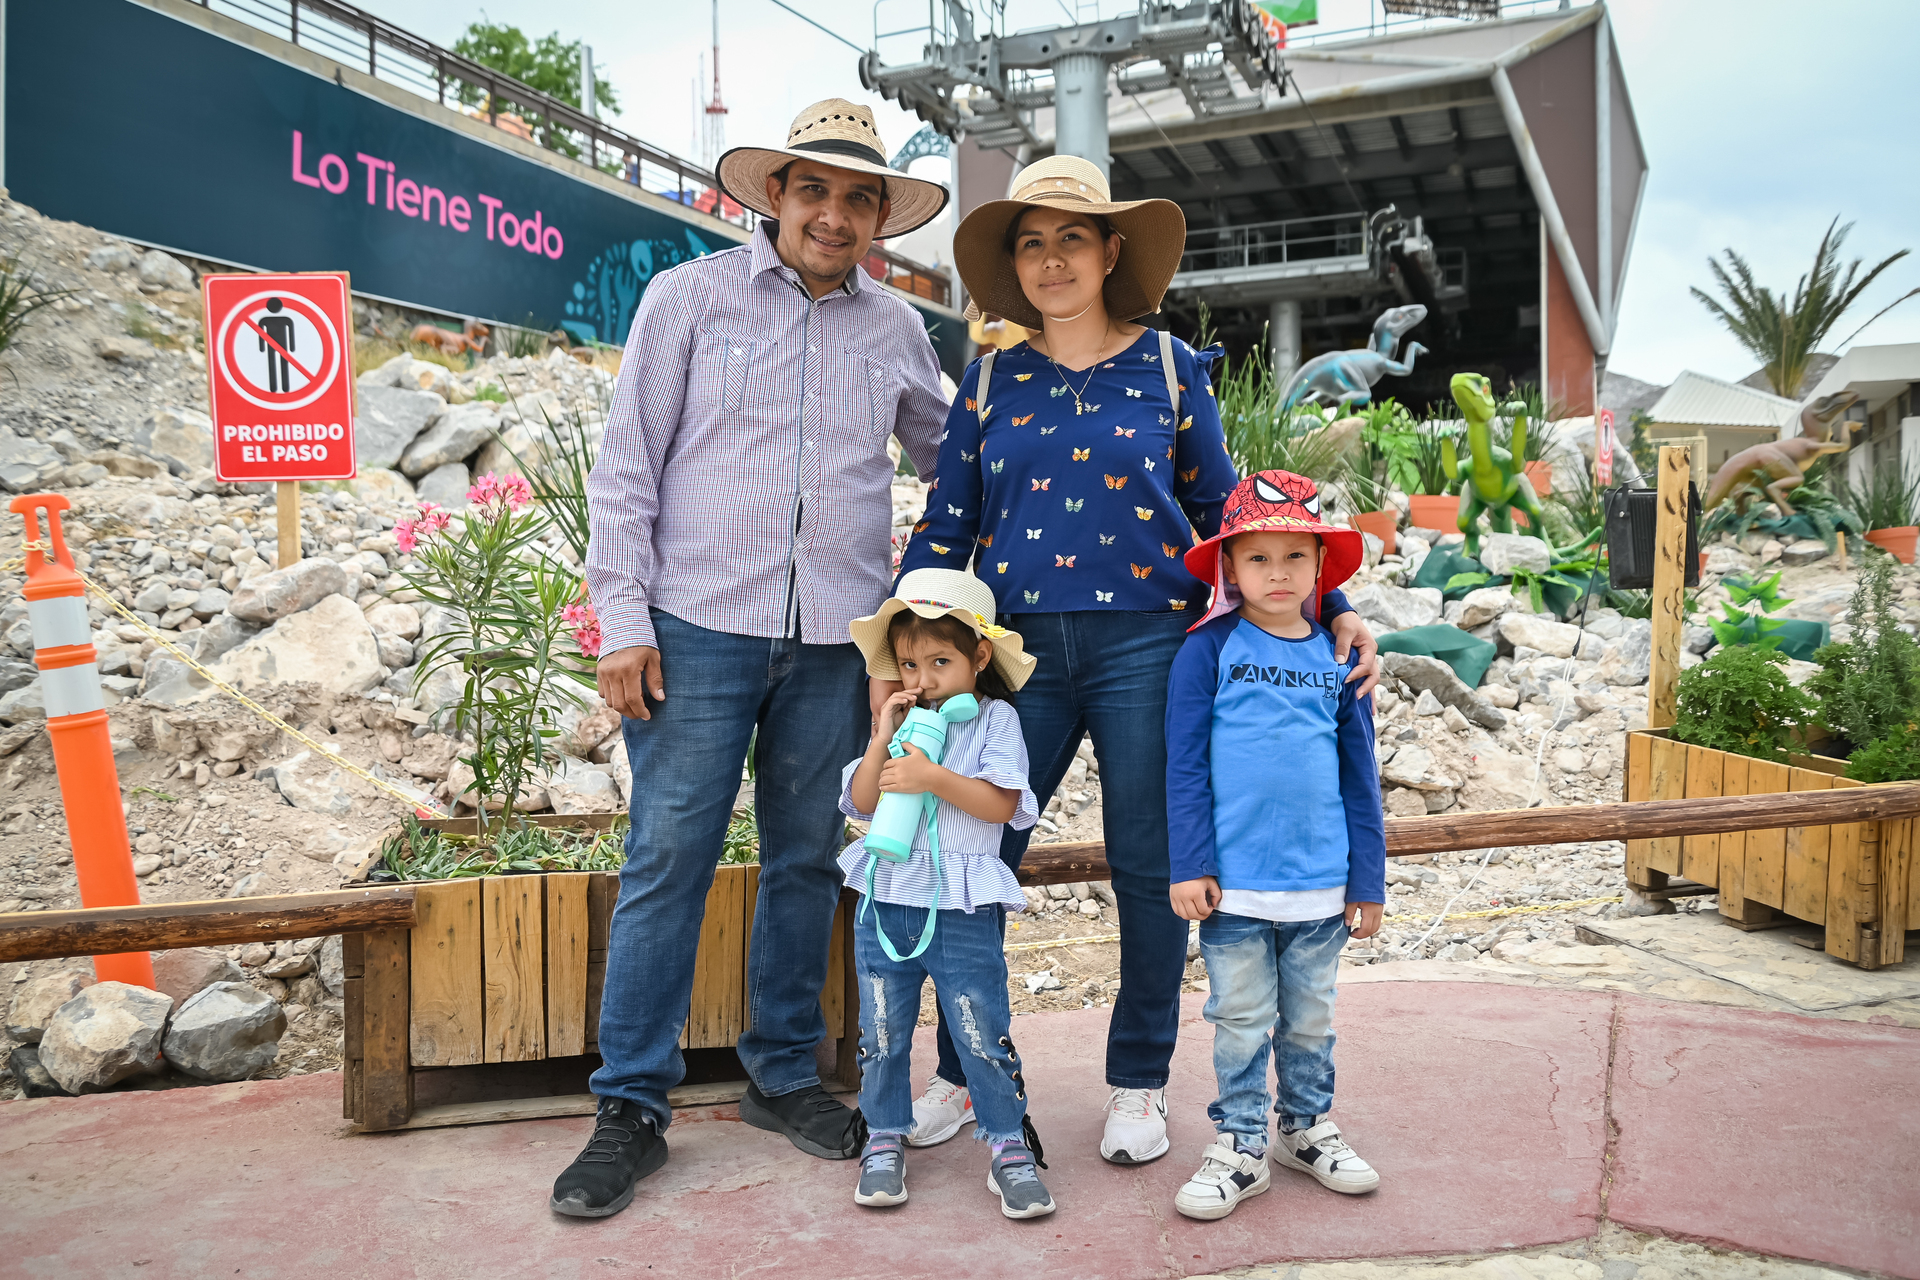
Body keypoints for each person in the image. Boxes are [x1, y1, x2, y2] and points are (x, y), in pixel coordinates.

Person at [897, 155, 1380, 1164]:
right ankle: (962, 1070)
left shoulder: (1169, 369)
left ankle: (1139, 1082)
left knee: (1151, 865)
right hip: (1015, 655)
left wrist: (1330, 605)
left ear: (1111, 251)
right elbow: (945, 530)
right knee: (973, 856)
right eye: (1032, 243)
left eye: (1071, 238)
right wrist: (898, 655)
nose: (1051, 260)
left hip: (1150, 646)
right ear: (1014, 265)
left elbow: (1231, 514)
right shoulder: (987, 382)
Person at [555, 99, 951, 1219]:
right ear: (774, 194)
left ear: (880, 217)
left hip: (837, 639)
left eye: (859, 198)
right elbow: (626, 466)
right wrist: (622, 618)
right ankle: (630, 1106)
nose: (834, 215)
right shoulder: (689, 298)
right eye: (813, 189)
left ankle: (782, 1074)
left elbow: (953, 463)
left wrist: (925, 614)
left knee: (807, 859)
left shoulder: (898, 329)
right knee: (667, 858)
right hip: (693, 628)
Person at [1162, 470, 1387, 1221]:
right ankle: (1241, 1144)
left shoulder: (1339, 658)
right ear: (1229, 566)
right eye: (1258, 557)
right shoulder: (1207, 650)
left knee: (1311, 1018)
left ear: (1322, 566)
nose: (1278, 572)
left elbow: (1361, 777)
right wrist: (1191, 864)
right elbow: (1184, 765)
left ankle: (1305, 1127)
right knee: (1239, 1018)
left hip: (1322, 886)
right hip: (1234, 887)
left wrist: (1367, 881)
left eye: (1296, 556)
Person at [837, 568, 1055, 1218]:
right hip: (886, 900)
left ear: (979, 657)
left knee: (981, 1027)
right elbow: (861, 801)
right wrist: (883, 737)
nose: (924, 678)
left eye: (940, 662)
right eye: (910, 664)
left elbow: (1002, 806)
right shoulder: (902, 722)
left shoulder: (995, 721)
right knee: (881, 1030)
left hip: (960, 907)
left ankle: (1007, 1142)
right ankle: (883, 1135)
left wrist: (932, 777)